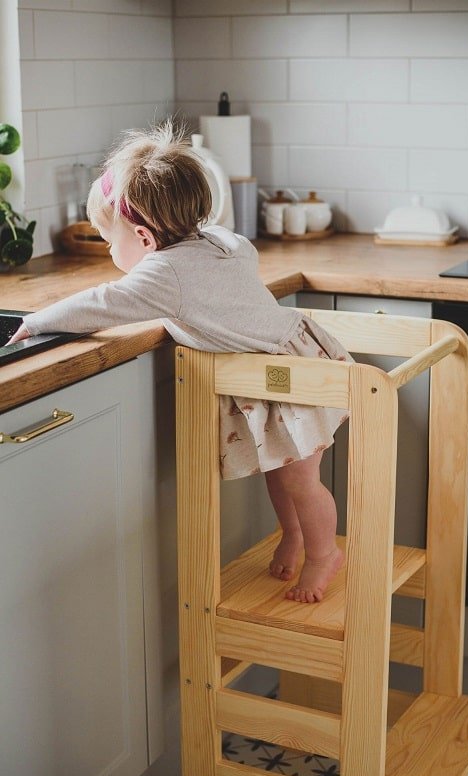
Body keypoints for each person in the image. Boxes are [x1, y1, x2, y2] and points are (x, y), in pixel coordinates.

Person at [8, 120, 351, 603]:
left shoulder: (164, 273)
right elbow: (233, 258)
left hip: (284, 375)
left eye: (111, 240)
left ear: (145, 239)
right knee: (283, 468)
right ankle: (294, 537)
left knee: (298, 477)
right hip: (291, 356)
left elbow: (103, 303)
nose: (110, 251)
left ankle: (322, 554)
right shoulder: (217, 241)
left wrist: (37, 321)